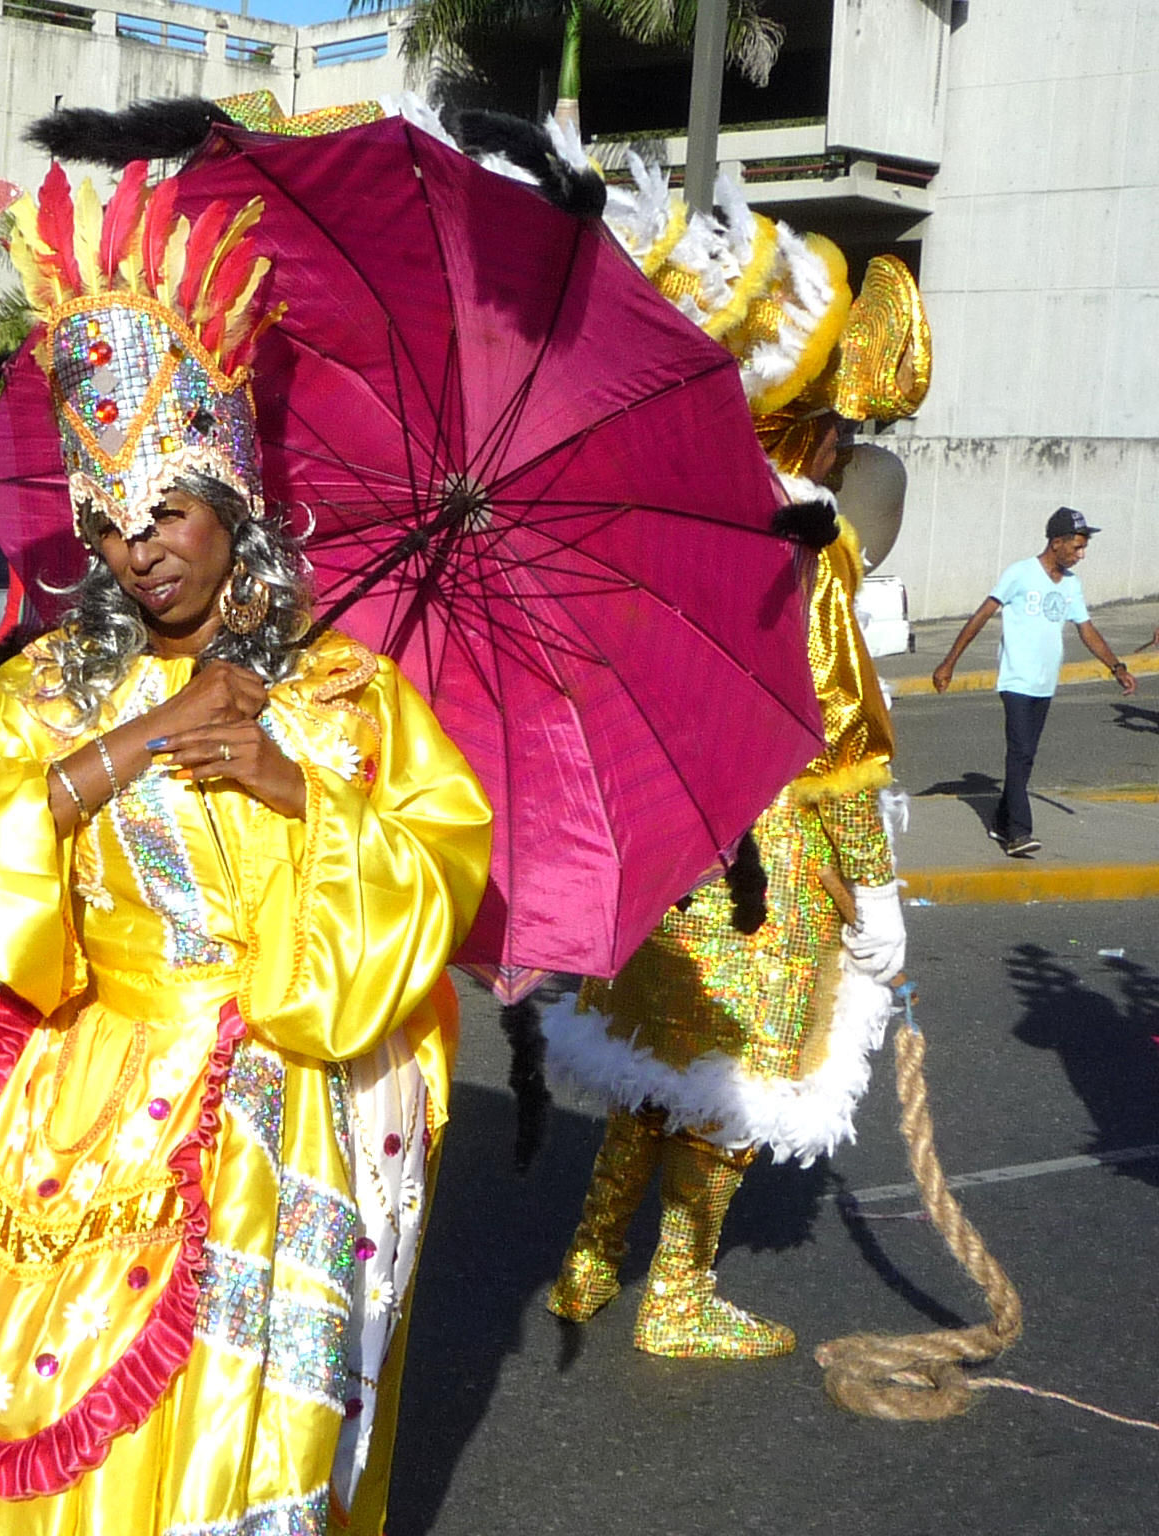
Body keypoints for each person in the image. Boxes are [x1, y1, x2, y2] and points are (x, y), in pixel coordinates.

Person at [0, 163, 492, 1536]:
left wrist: (295, 788)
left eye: (173, 516)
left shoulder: (342, 698)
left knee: (219, 1418)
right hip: (66, 1077)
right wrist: (139, 741)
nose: (145, 552)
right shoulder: (56, 691)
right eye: (118, 525)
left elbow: (439, 863)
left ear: (234, 515)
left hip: (265, 1097)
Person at [540, 177, 925, 1358]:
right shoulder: (801, 550)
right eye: (849, 435)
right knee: (732, 1094)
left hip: (662, 852)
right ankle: (677, 1294)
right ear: (813, 430)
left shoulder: (666, 529)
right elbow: (841, 752)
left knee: (654, 1070)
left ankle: (590, 1259)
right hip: (764, 879)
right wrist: (876, 898)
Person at [931, 506, 1138, 856]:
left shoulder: (1072, 584)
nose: (1081, 554)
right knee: (1020, 751)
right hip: (1016, 680)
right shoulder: (1021, 574)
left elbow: (1086, 629)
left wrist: (1116, 667)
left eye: (1084, 547)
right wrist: (949, 663)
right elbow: (981, 616)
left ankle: (1000, 820)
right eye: (1076, 546)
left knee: (1026, 756)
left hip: (1045, 683)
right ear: (1056, 542)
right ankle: (1018, 833)